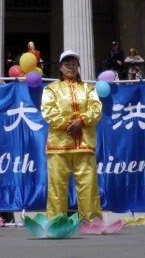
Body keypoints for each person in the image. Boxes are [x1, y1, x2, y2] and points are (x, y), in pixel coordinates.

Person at [41, 50, 102, 220]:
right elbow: (49, 111)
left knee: (88, 186)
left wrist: (81, 121)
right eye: (67, 64)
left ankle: (92, 222)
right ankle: (55, 222)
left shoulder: (89, 89)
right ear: (60, 67)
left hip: (84, 145)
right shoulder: (51, 89)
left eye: (74, 64)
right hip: (58, 145)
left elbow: (96, 109)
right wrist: (69, 124)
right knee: (57, 187)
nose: (70, 67)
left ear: (78, 67)